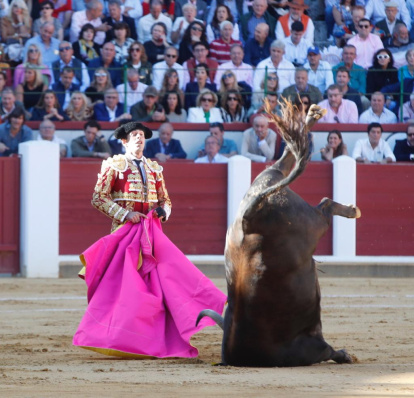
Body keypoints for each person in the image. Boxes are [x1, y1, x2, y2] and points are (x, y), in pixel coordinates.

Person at [73, 121, 226, 359]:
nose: (139, 138)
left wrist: (164, 212)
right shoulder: (114, 166)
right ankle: (117, 337)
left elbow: (166, 200)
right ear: (124, 141)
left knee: (162, 284)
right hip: (123, 234)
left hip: (150, 235)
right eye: (134, 135)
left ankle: (155, 336)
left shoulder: (154, 169)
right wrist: (126, 214)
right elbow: (98, 198)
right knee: (123, 289)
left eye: (142, 135)